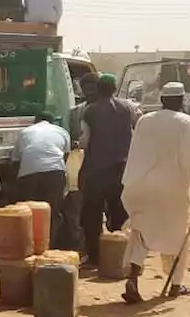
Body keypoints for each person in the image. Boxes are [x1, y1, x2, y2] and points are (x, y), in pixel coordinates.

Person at [119, 82, 190, 303]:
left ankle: (133, 278)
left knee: (140, 234)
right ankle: (176, 285)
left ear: (162, 100)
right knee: (177, 236)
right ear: (181, 100)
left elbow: (135, 153)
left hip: (141, 186)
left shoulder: (144, 120)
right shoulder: (185, 122)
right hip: (172, 188)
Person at [77, 73, 136, 263]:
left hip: (96, 170)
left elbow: (85, 142)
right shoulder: (128, 108)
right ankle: (119, 255)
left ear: (98, 89)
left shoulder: (90, 111)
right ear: (114, 88)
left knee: (92, 214)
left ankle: (94, 256)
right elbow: (138, 130)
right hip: (122, 169)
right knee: (119, 211)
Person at [11, 112, 72, 245]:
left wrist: (20, 180)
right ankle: (48, 247)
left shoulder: (24, 132)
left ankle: (28, 245)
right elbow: (66, 156)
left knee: (28, 212)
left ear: (35, 121)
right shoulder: (62, 131)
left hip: (29, 174)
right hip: (55, 173)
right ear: (52, 122)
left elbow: (16, 160)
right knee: (52, 212)